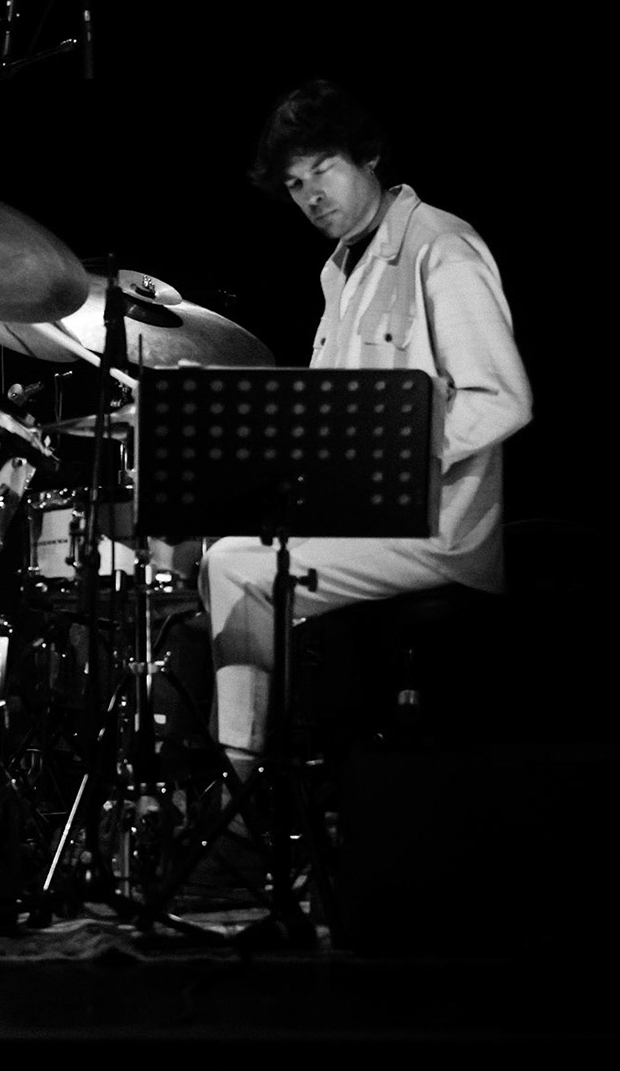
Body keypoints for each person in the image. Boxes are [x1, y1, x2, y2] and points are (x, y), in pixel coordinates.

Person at [197, 80, 533, 787]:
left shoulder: (441, 248)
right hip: (366, 517)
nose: (310, 194)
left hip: (435, 530)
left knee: (235, 567)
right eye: (295, 183)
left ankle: (241, 791)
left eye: (323, 170)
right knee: (213, 542)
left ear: (368, 157)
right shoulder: (340, 271)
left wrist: (385, 465)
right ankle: (280, 780)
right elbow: (336, 420)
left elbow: (502, 400)